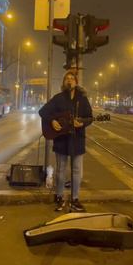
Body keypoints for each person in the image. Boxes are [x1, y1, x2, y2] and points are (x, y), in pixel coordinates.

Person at [39, 70, 93, 212]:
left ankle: (75, 199)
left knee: (77, 171)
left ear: (76, 82)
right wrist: (52, 121)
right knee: (60, 170)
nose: (69, 80)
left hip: (77, 139)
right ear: (64, 82)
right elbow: (43, 111)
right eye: (67, 78)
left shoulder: (82, 99)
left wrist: (82, 123)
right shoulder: (58, 98)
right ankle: (59, 196)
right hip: (61, 139)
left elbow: (90, 117)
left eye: (72, 78)